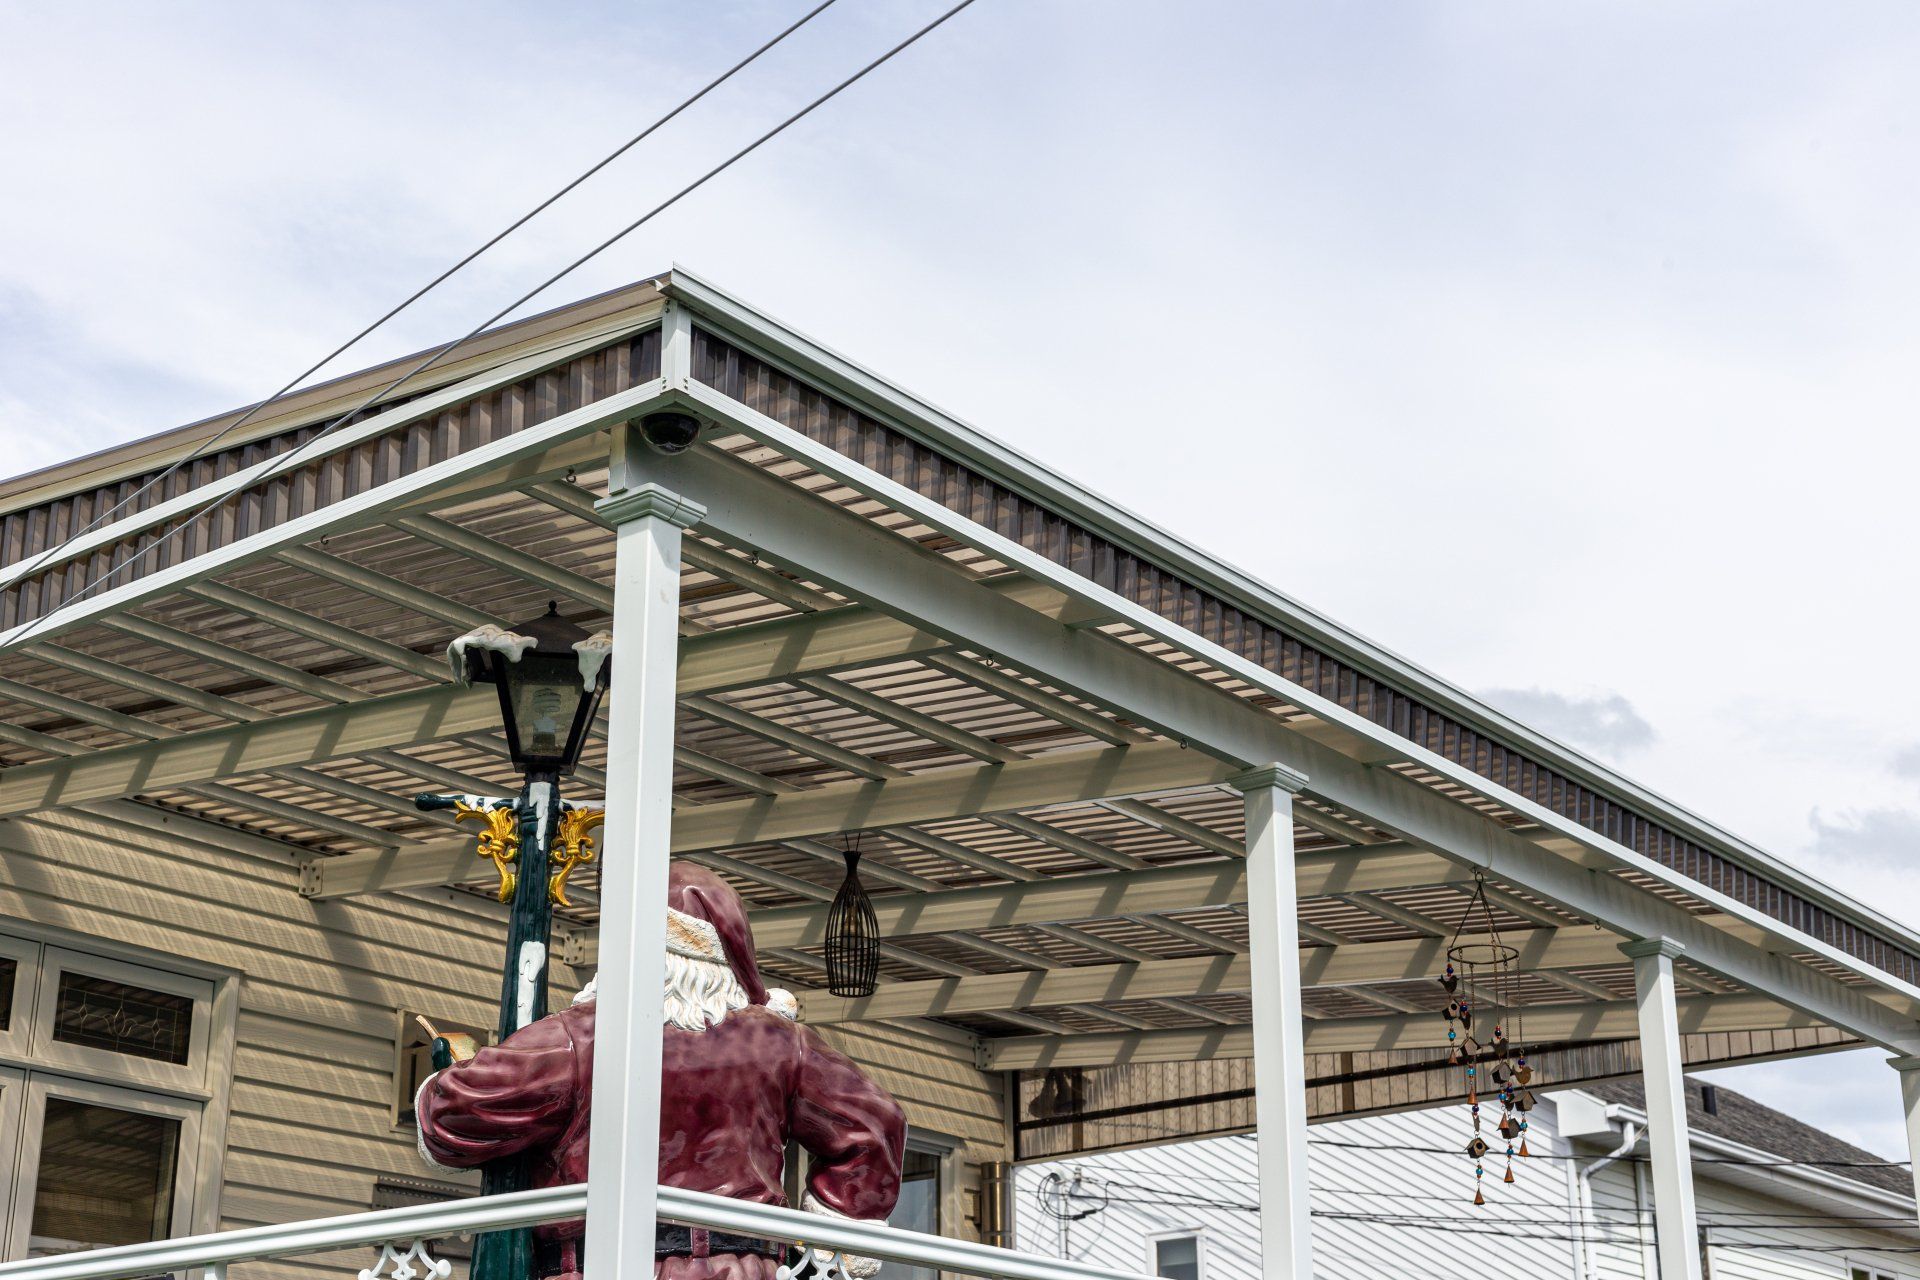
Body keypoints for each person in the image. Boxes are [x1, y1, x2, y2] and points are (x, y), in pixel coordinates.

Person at [415, 864, 906, 1280]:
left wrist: (449, 1071)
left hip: (603, 1265)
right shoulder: (780, 1044)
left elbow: (455, 1112)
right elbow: (876, 1124)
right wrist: (833, 1240)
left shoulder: (582, 1037)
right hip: (743, 1268)